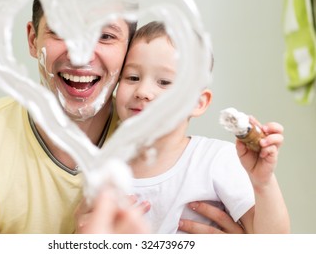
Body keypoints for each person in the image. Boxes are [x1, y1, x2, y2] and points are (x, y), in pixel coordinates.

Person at [0, 0, 246, 234]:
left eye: (106, 36)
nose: (81, 55)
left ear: (128, 50)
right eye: (61, 31)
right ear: (32, 40)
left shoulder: (157, 137)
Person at [114, 21, 290, 233]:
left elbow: (274, 241)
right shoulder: (104, 169)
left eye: (164, 82)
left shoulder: (215, 160)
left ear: (198, 103)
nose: (142, 91)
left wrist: (263, 183)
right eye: (132, 77)